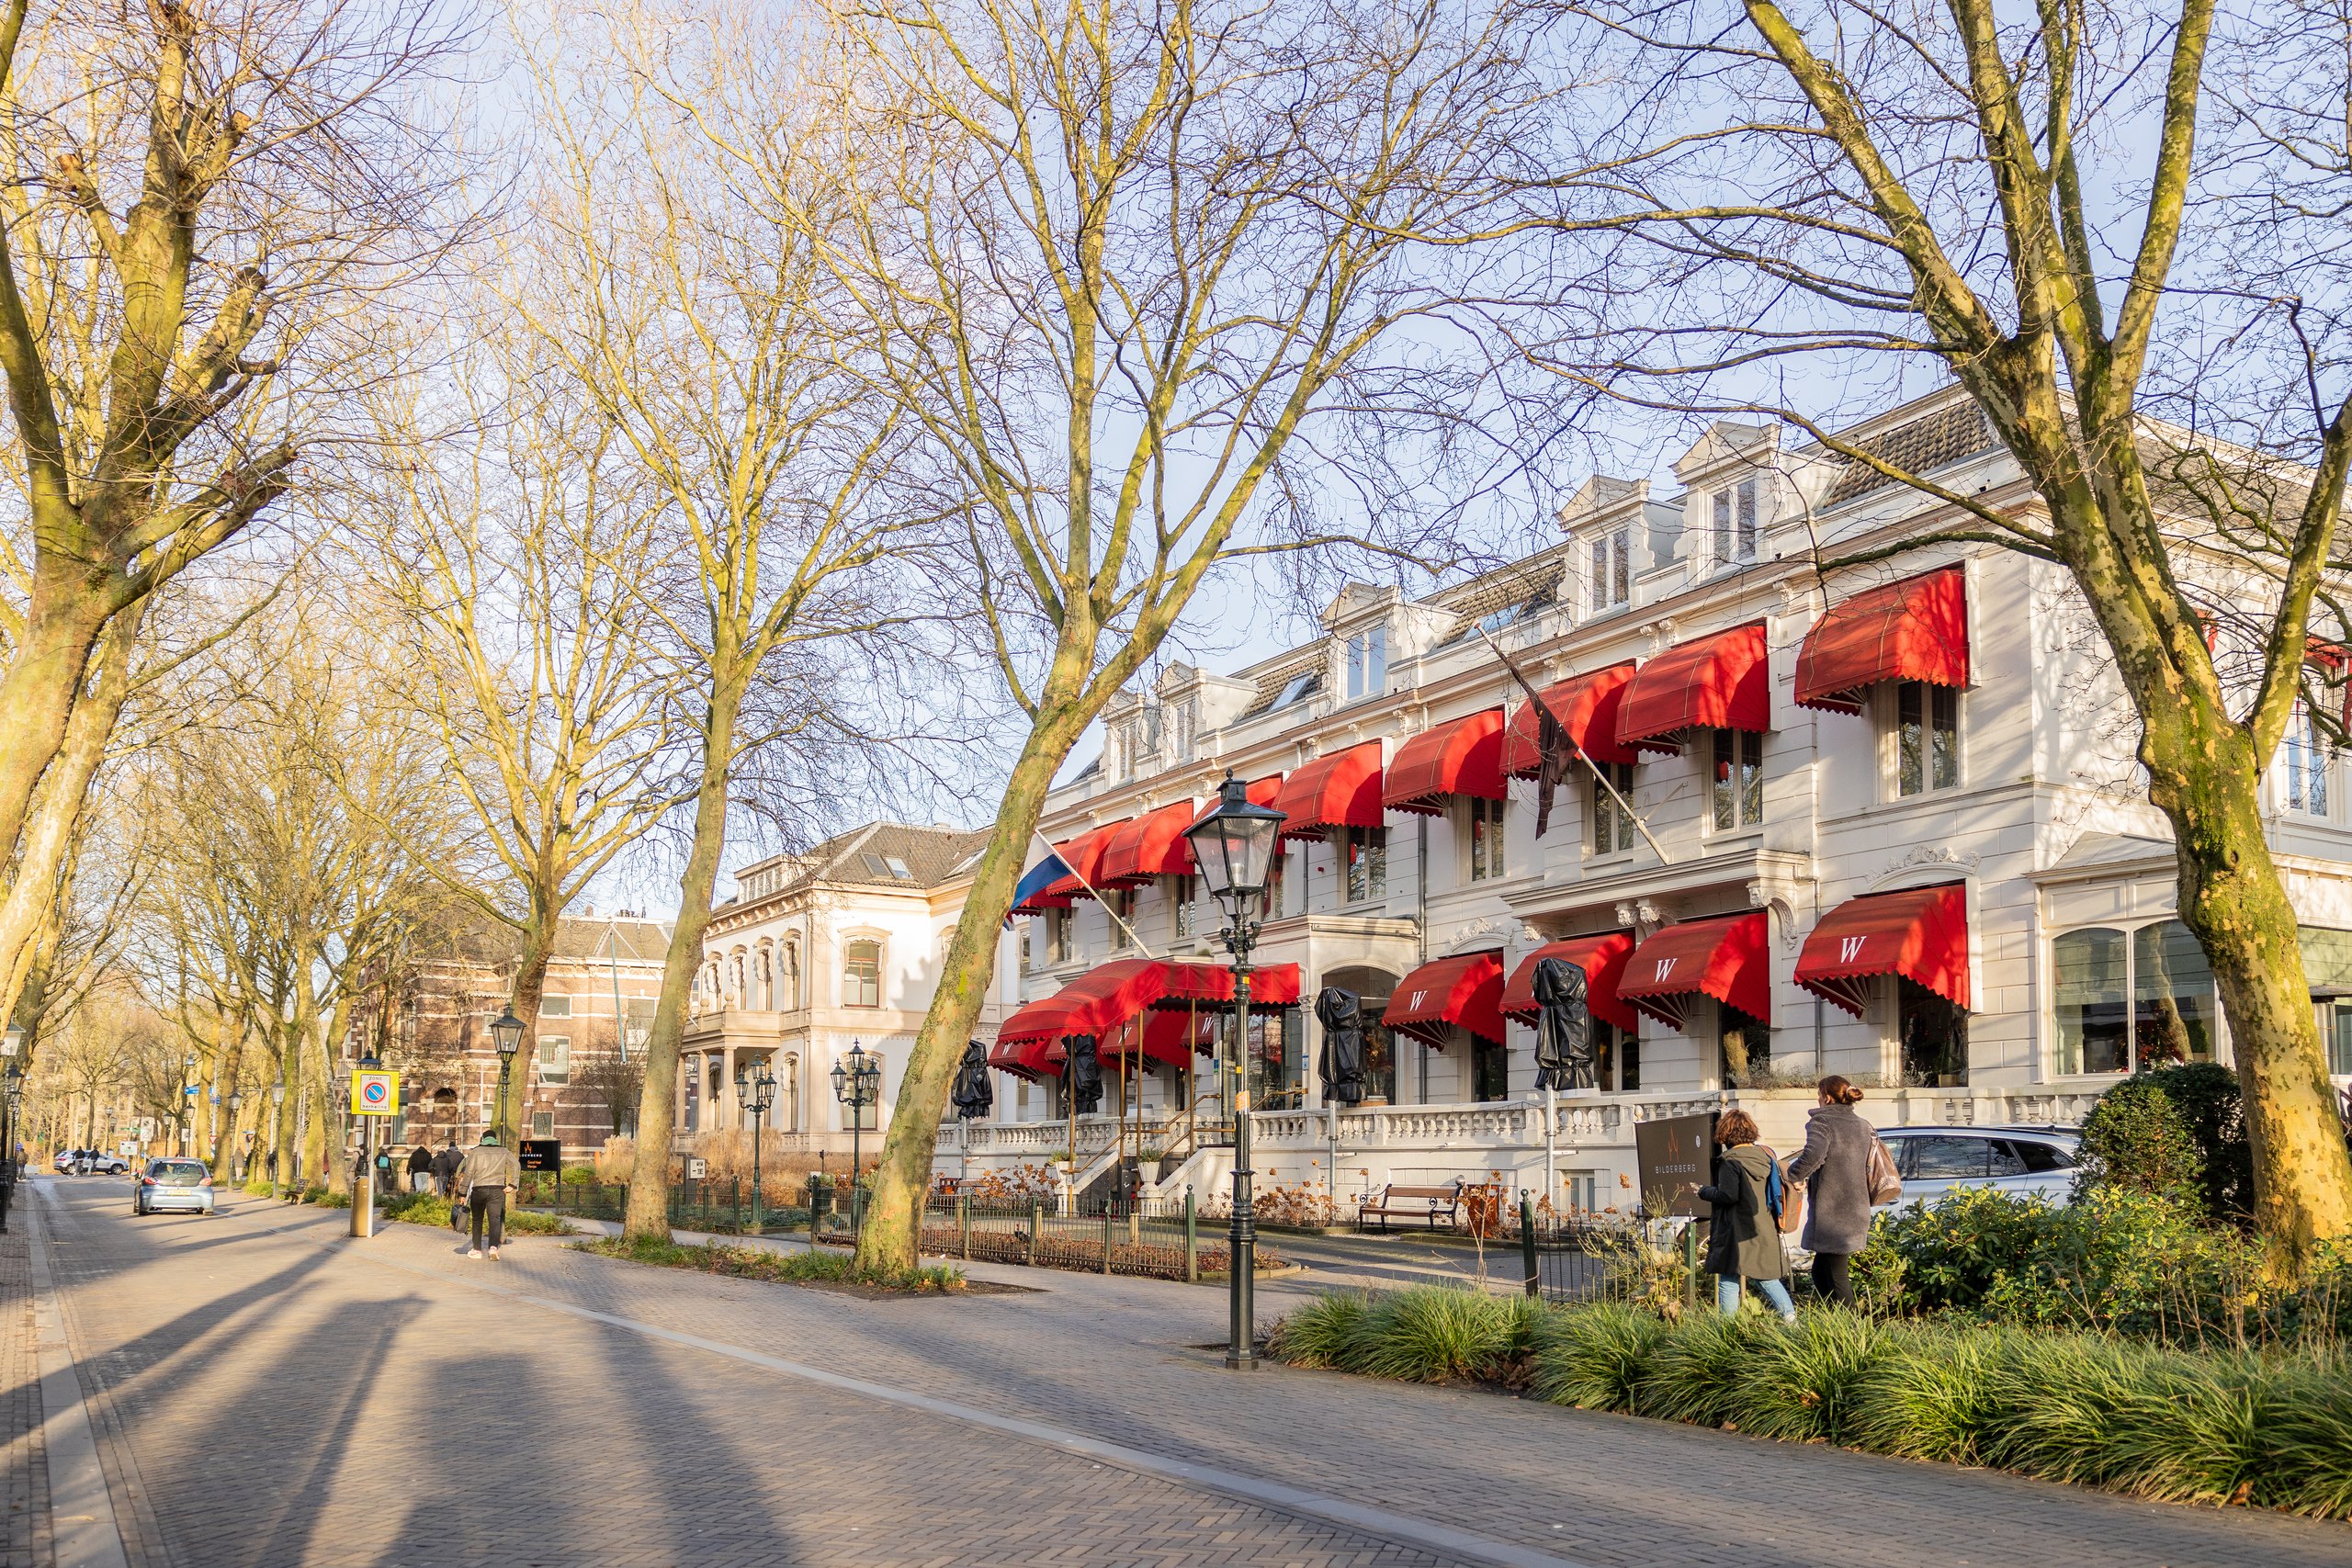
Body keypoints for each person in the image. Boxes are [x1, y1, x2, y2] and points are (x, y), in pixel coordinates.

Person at [1785, 1074, 1877, 1308]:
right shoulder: (1862, 1125)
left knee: (1837, 1277)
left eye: (1818, 1094)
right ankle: (1834, 1322)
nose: (1817, 1099)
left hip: (1834, 1211)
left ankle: (1852, 1329)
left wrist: (1795, 1175)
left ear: (1826, 1098)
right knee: (1820, 1273)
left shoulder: (1823, 1122)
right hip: (1855, 1207)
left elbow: (1814, 1155)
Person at [1696, 1109, 1796, 1324]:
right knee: (1767, 1279)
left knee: (1728, 1277)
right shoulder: (1766, 1157)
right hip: (1763, 1227)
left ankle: (1727, 1329)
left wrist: (1704, 1191)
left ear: (1725, 1134)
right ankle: (1791, 1320)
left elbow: (1728, 1195)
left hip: (1734, 1230)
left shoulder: (1729, 1161)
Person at [458, 1131, 520, 1259]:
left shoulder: (476, 1152)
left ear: (483, 1138)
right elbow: (516, 1165)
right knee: (495, 1220)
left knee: (477, 1220)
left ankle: (477, 1250)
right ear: (495, 1139)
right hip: (497, 1190)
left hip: (479, 1189)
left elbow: (468, 1173)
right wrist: (513, 1184)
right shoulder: (504, 1151)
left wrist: (462, 1193)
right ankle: (493, 1248)